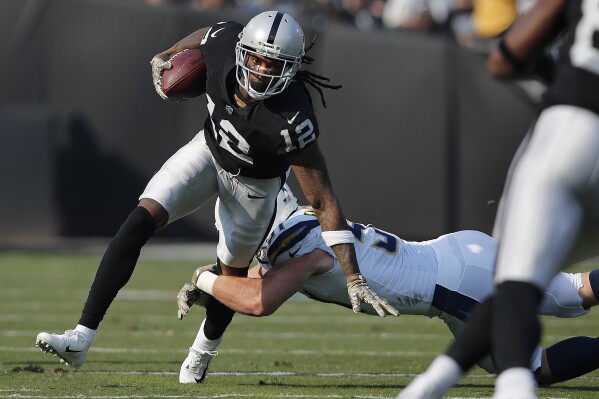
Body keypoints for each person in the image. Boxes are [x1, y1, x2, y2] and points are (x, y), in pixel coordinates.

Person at [35, 10, 397, 370]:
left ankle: (201, 353)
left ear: (291, 67)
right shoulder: (225, 44)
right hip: (207, 152)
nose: (263, 70)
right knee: (139, 221)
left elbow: (322, 199)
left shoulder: (291, 119)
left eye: (275, 64)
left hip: (255, 187)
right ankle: (81, 337)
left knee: (230, 278)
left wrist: (353, 275)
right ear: (242, 51)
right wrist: (166, 54)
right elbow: (208, 33)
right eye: (257, 58)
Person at [175, 185, 599, 385]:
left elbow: (258, 302)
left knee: (528, 369)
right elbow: (254, 280)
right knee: (576, 290)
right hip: (462, 251)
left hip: (458, 289)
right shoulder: (303, 229)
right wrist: (213, 282)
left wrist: (204, 277)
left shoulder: (303, 249)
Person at [397, 1, 599, 398]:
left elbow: (504, 60)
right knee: (528, 288)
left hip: (572, 129)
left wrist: (549, 69)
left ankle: (499, 387)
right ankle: (434, 383)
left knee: (516, 289)